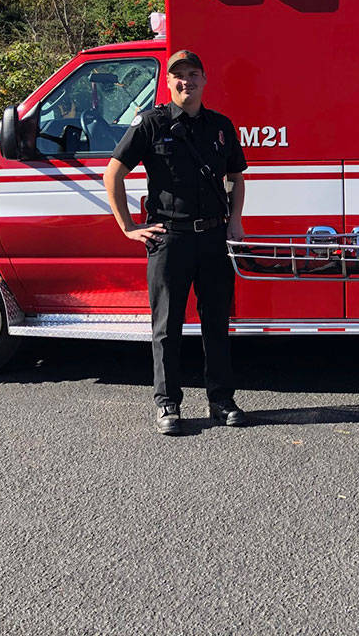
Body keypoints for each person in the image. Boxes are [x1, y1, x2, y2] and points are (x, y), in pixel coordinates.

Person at [103, 50, 248, 436]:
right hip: (170, 239)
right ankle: (168, 403)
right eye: (178, 75)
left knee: (216, 323)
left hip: (214, 237)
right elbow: (112, 174)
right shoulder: (151, 124)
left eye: (193, 74)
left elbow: (235, 175)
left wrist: (234, 220)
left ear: (205, 79)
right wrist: (128, 227)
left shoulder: (220, 126)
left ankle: (221, 400)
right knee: (167, 327)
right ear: (167, 83)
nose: (186, 81)